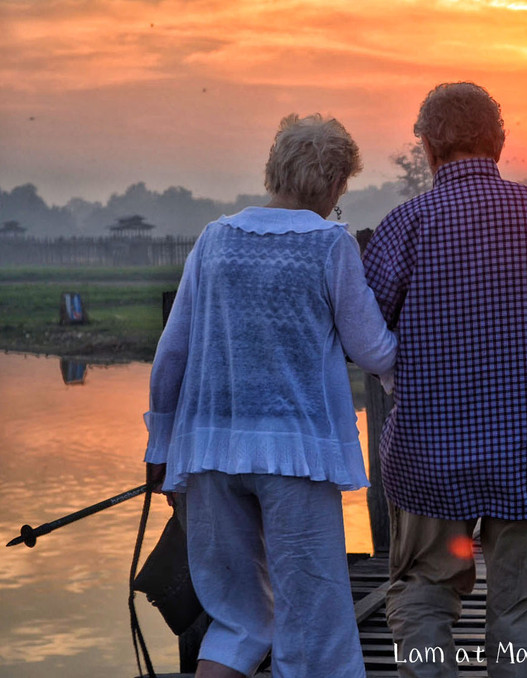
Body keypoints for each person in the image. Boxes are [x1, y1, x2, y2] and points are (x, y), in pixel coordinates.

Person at [362, 82, 527, 678]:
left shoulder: (404, 225)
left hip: (427, 457)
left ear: (427, 147)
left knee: (424, 590)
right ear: (498, 143)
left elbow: (364, 337)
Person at [144, 114, 397, 678]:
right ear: (333, 184)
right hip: (297, 458)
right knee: (315, 629)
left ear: (275, 169)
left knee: (239, 621)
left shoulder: (214, 239)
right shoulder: (331, 245)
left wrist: (160, 445)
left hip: (210, 454)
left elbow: (171, 357)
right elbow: (374, 348)